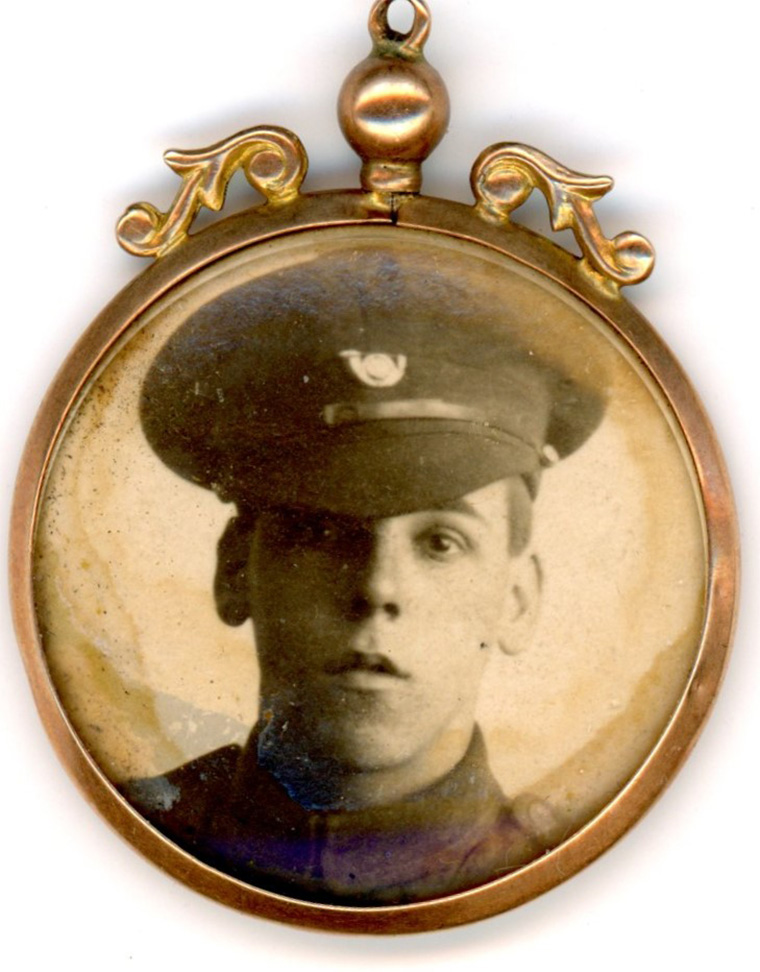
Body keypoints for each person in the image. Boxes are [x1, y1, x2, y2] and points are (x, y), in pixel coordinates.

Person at [124, 247, 605, 905]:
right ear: (236, 569)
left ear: (517, 601)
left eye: (441, 542)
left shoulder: (579, 888)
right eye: (322, 531)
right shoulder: (116, 846)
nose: (378, 589)